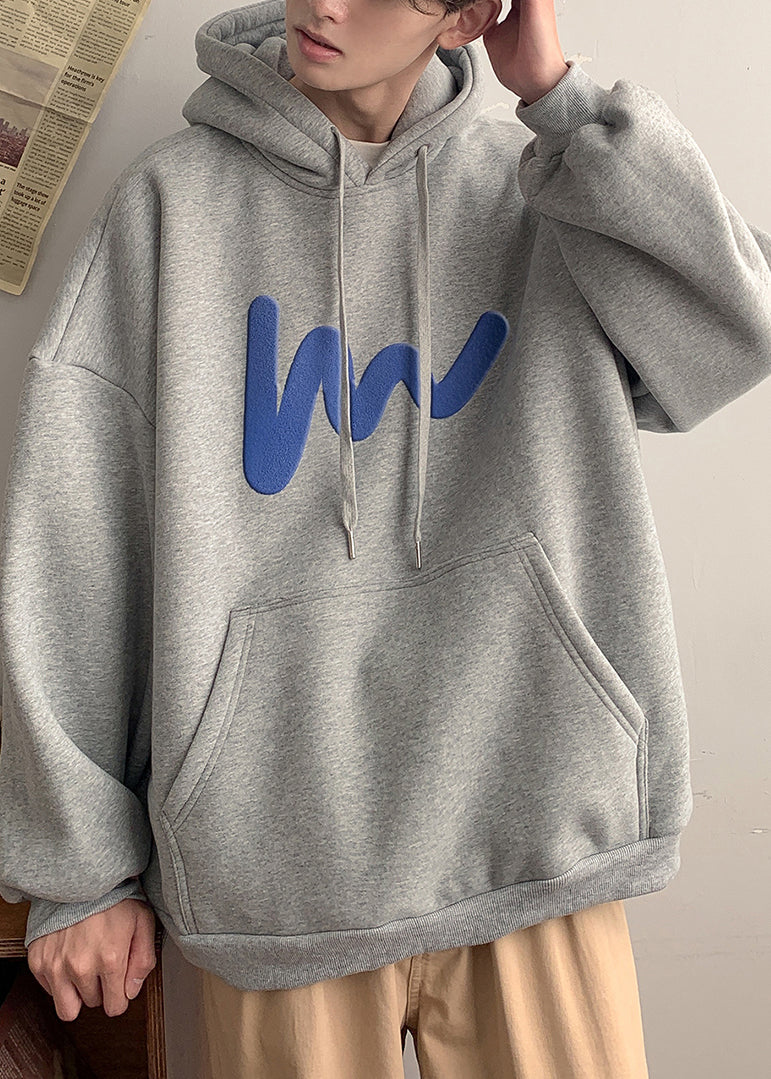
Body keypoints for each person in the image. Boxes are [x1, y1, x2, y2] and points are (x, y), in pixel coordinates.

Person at [0, 0, 769, 1073]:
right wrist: (78, 871)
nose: (325, 5)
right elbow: (74, 538)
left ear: (466, 15)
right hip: (274, 875)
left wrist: (563, 103)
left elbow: (732, 335)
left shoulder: (548, 187)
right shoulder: (168, 211)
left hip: (532, 830)